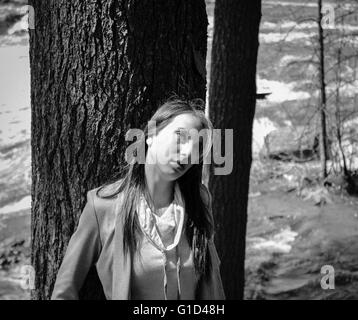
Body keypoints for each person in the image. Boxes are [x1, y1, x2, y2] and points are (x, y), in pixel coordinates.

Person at [51, 98, 225, 300]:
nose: (187, 152)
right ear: (151, 134)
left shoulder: (199, 200)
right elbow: (63, 292)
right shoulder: (103, 206)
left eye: (197, 146)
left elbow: (213, 286)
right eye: (180, 137)